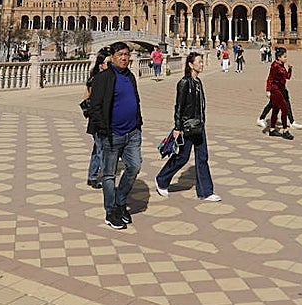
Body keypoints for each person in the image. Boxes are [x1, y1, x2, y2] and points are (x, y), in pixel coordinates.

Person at [88, 41, 143, 230]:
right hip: (111, 134)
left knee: (134, 166)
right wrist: (103, 130)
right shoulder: (103, 78)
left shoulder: (130, 76)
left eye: (126, 54)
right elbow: (94, 106)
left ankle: (120, 202)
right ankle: (111, 212)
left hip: (132, 133)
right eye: (120, 54)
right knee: (109, 175)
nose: (124, 58)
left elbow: (135, 99)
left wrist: (138, 123)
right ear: (112, 57)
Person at [156, 51, 219, 201]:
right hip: (186, 127)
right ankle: (161, 180)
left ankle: (206, 192)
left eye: (202, 62)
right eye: (199, 62)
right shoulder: (184, 83)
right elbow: (178, 107)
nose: (202, 64)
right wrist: (177, 128)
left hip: (199, 126)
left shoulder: (198, 82)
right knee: (182, 157)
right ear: (191, 65)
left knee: (202, 157)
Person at [83, 49, 112, 188]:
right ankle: (107, 179)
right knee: (103, 150)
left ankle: (92, 176)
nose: (110, 65)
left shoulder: (108, 77)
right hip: (97, 119)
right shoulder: (96, 79)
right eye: (108, 63)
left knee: (97, 149)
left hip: (103, 118)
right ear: (101, 64)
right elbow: (87, 98)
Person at [264, 47, 294, 139]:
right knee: (284, 109)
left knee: (276, 110)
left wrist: (290, 69)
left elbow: (287, 77)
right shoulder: (275, 66)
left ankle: (272, 129)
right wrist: (268, 90)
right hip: (275, 90)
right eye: (284, 57)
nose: (286, 58)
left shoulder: (282, 66)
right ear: (279, 57)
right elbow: (270, 78)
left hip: (281, 90)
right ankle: (285, 130)